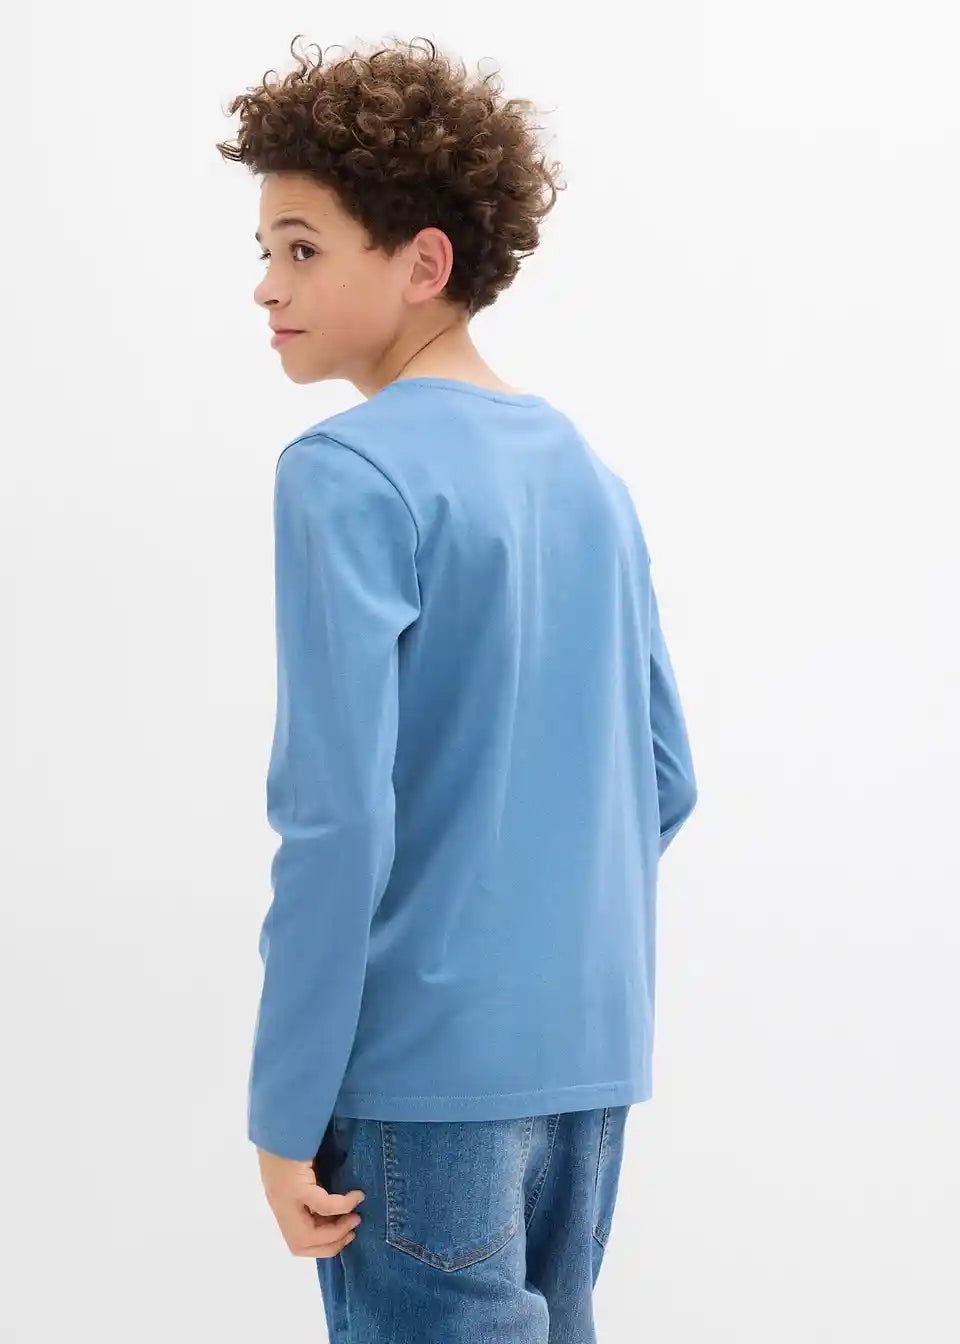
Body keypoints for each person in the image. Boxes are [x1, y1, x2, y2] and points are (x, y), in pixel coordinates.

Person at [216, 33, 698, 1342]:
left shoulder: (344, 473)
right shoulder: (587, 476)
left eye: (302, 248)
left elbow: (337, 821)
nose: (267, 285)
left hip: (418, 1083)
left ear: (423, 263)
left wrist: (281, 1114)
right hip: (588, 1067)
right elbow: (665, 777)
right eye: (265, 249)